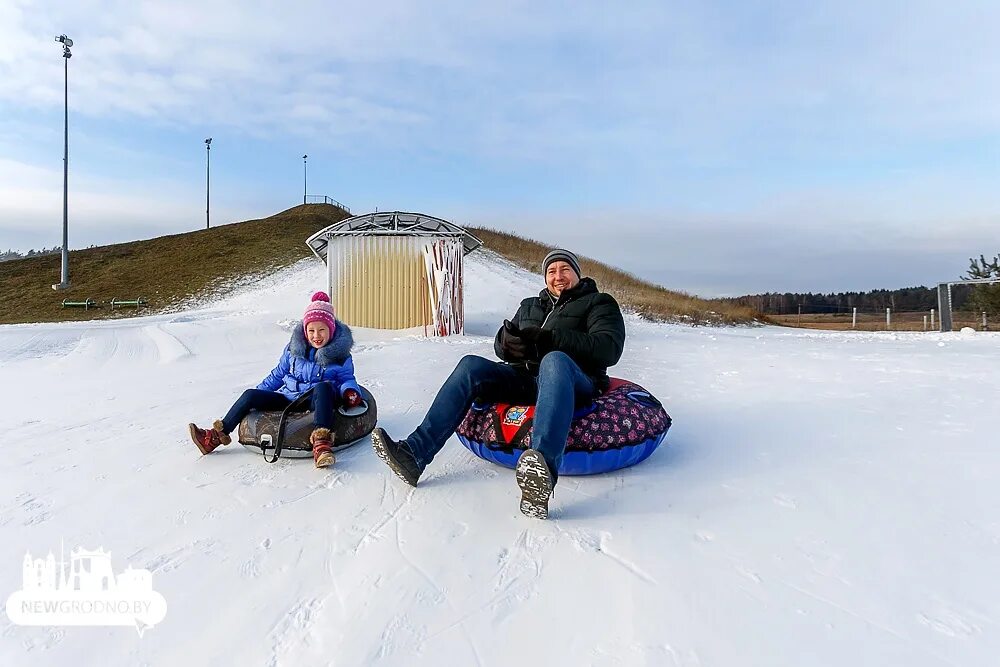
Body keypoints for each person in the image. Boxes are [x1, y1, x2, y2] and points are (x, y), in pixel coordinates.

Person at [372, 249, 626, 518]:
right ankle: (414, 454)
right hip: (527, 379)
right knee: (471, 364)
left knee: (554, 360)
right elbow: (500, 346)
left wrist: (549, 339)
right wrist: (507, 343)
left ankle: (541, 476)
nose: (558, 276)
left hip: (573, 380)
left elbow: (609, 348)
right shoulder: (530, 305)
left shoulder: (598, 303)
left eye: (565, 270)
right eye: (551, 271)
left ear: (577, 273)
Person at [188, 291, 364, 468]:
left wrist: (350, 392)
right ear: (305, 331)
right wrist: (258, 395)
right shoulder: (293, 350)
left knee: (324, 387)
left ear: (331, 330)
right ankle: (216, 436)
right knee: (250, 395)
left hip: (316, 399)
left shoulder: (340, 356)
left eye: (321, 330)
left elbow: (347, 378)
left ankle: (321, 444)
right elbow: (278, 375)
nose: (316, 336)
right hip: (289, 397)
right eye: (311, 330)